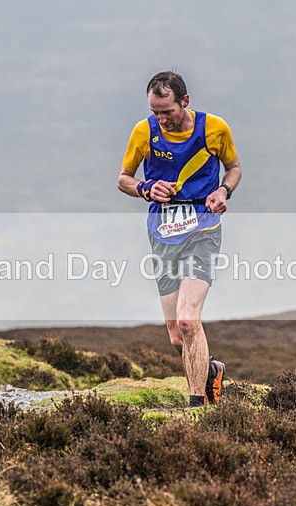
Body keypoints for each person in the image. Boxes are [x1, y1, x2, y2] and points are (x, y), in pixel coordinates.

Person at [117, 71, 241, 407]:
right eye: (155, 112)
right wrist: (145, 188)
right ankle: (211, 370)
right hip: (163, 232)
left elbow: (234, 168)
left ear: (184, 102)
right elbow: (124, 179)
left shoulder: (215, 128)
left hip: (203, 228)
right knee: (177, 335)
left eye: (167, 112)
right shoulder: (144, 132)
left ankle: (197, 406)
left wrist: (223, 190)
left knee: (189, 319)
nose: (161, 119)